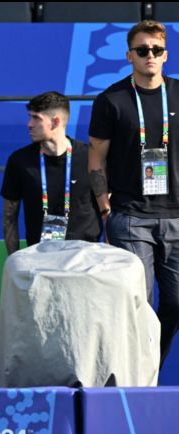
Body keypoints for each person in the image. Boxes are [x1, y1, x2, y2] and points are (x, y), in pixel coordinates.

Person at [89, 20, 179, 366]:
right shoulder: (111, 100)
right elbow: (96, 159)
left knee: (174, 304)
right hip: (131, 216)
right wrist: (104, 207)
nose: (150, 56)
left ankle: (150, 362)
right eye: (142, 50)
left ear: (165, 55)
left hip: (175, 216)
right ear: (129, 56)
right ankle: (136, 373)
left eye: (156, 50)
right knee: (136, 301)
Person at [1, 91, 101, 253]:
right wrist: (14, 259)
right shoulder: (20, 161)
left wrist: (110, 253)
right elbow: (9, 216)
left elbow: (108, 208)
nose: (29, 124)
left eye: (36, 118)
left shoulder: (90, 156)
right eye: (30, 117)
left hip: (86, 258)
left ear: (55, 122)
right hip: (40, 258)